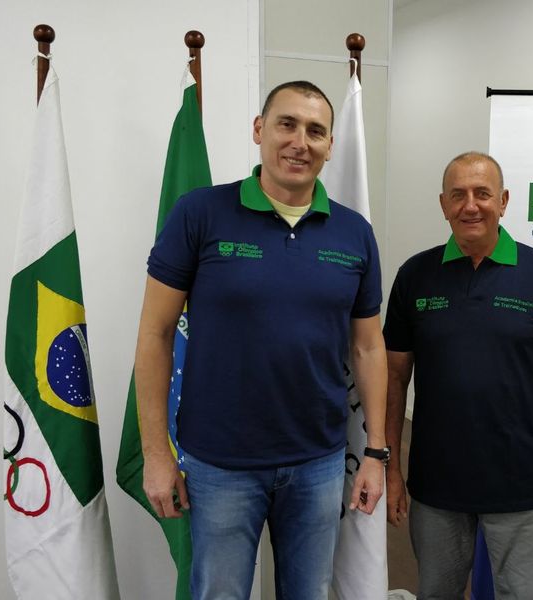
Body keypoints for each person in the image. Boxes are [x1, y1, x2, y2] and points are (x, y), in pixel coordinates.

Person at [135, 80, 388, 600]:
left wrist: (376, 453)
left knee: (310, 592)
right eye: (286, 124)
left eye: (316, 131)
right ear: (259, 129)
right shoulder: (200, 213)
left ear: (330, 145)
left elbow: (367, 348)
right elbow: (155, 335)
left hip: (318, 461)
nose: (300, 142)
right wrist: (156, 454)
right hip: (219, 464)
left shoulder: (355, 233)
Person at [383, 152, 533, 600]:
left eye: (482, 193)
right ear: (443, 204)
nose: (470, 205)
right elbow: (394, 379)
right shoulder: (415, 276)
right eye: (458, 195)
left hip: (521, 488)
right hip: (436, 488)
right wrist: (392, 469)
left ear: (504, 201)